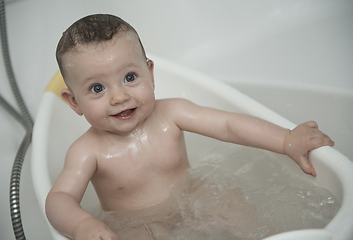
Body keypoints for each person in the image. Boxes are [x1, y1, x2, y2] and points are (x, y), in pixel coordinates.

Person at [45, 14, 335, 240]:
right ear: (74, 103)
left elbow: (228, 125)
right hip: (135, 223)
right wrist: (83, 224)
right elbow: (60, 198)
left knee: (236, 209)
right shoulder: (86, 151)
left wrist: (286, 140)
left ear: (151, 73)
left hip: (193, 193)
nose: (119, 96)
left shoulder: (171, 113)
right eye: (97, 88)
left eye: (130, 77)